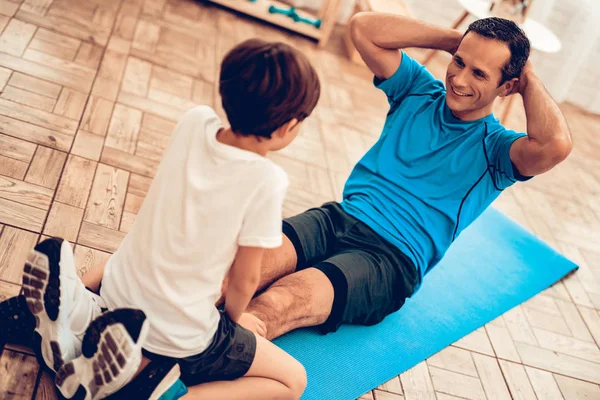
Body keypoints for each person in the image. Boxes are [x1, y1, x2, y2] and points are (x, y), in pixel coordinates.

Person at [1, 38, 320, 400]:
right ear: (288, 126)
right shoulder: (267, 181)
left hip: (117, 290)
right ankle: (152, 391)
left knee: (153, 253)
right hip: (178, 336)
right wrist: (235, 324)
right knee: (293, 381)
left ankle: (79, 312)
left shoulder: (195, 121)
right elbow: (244, 280)